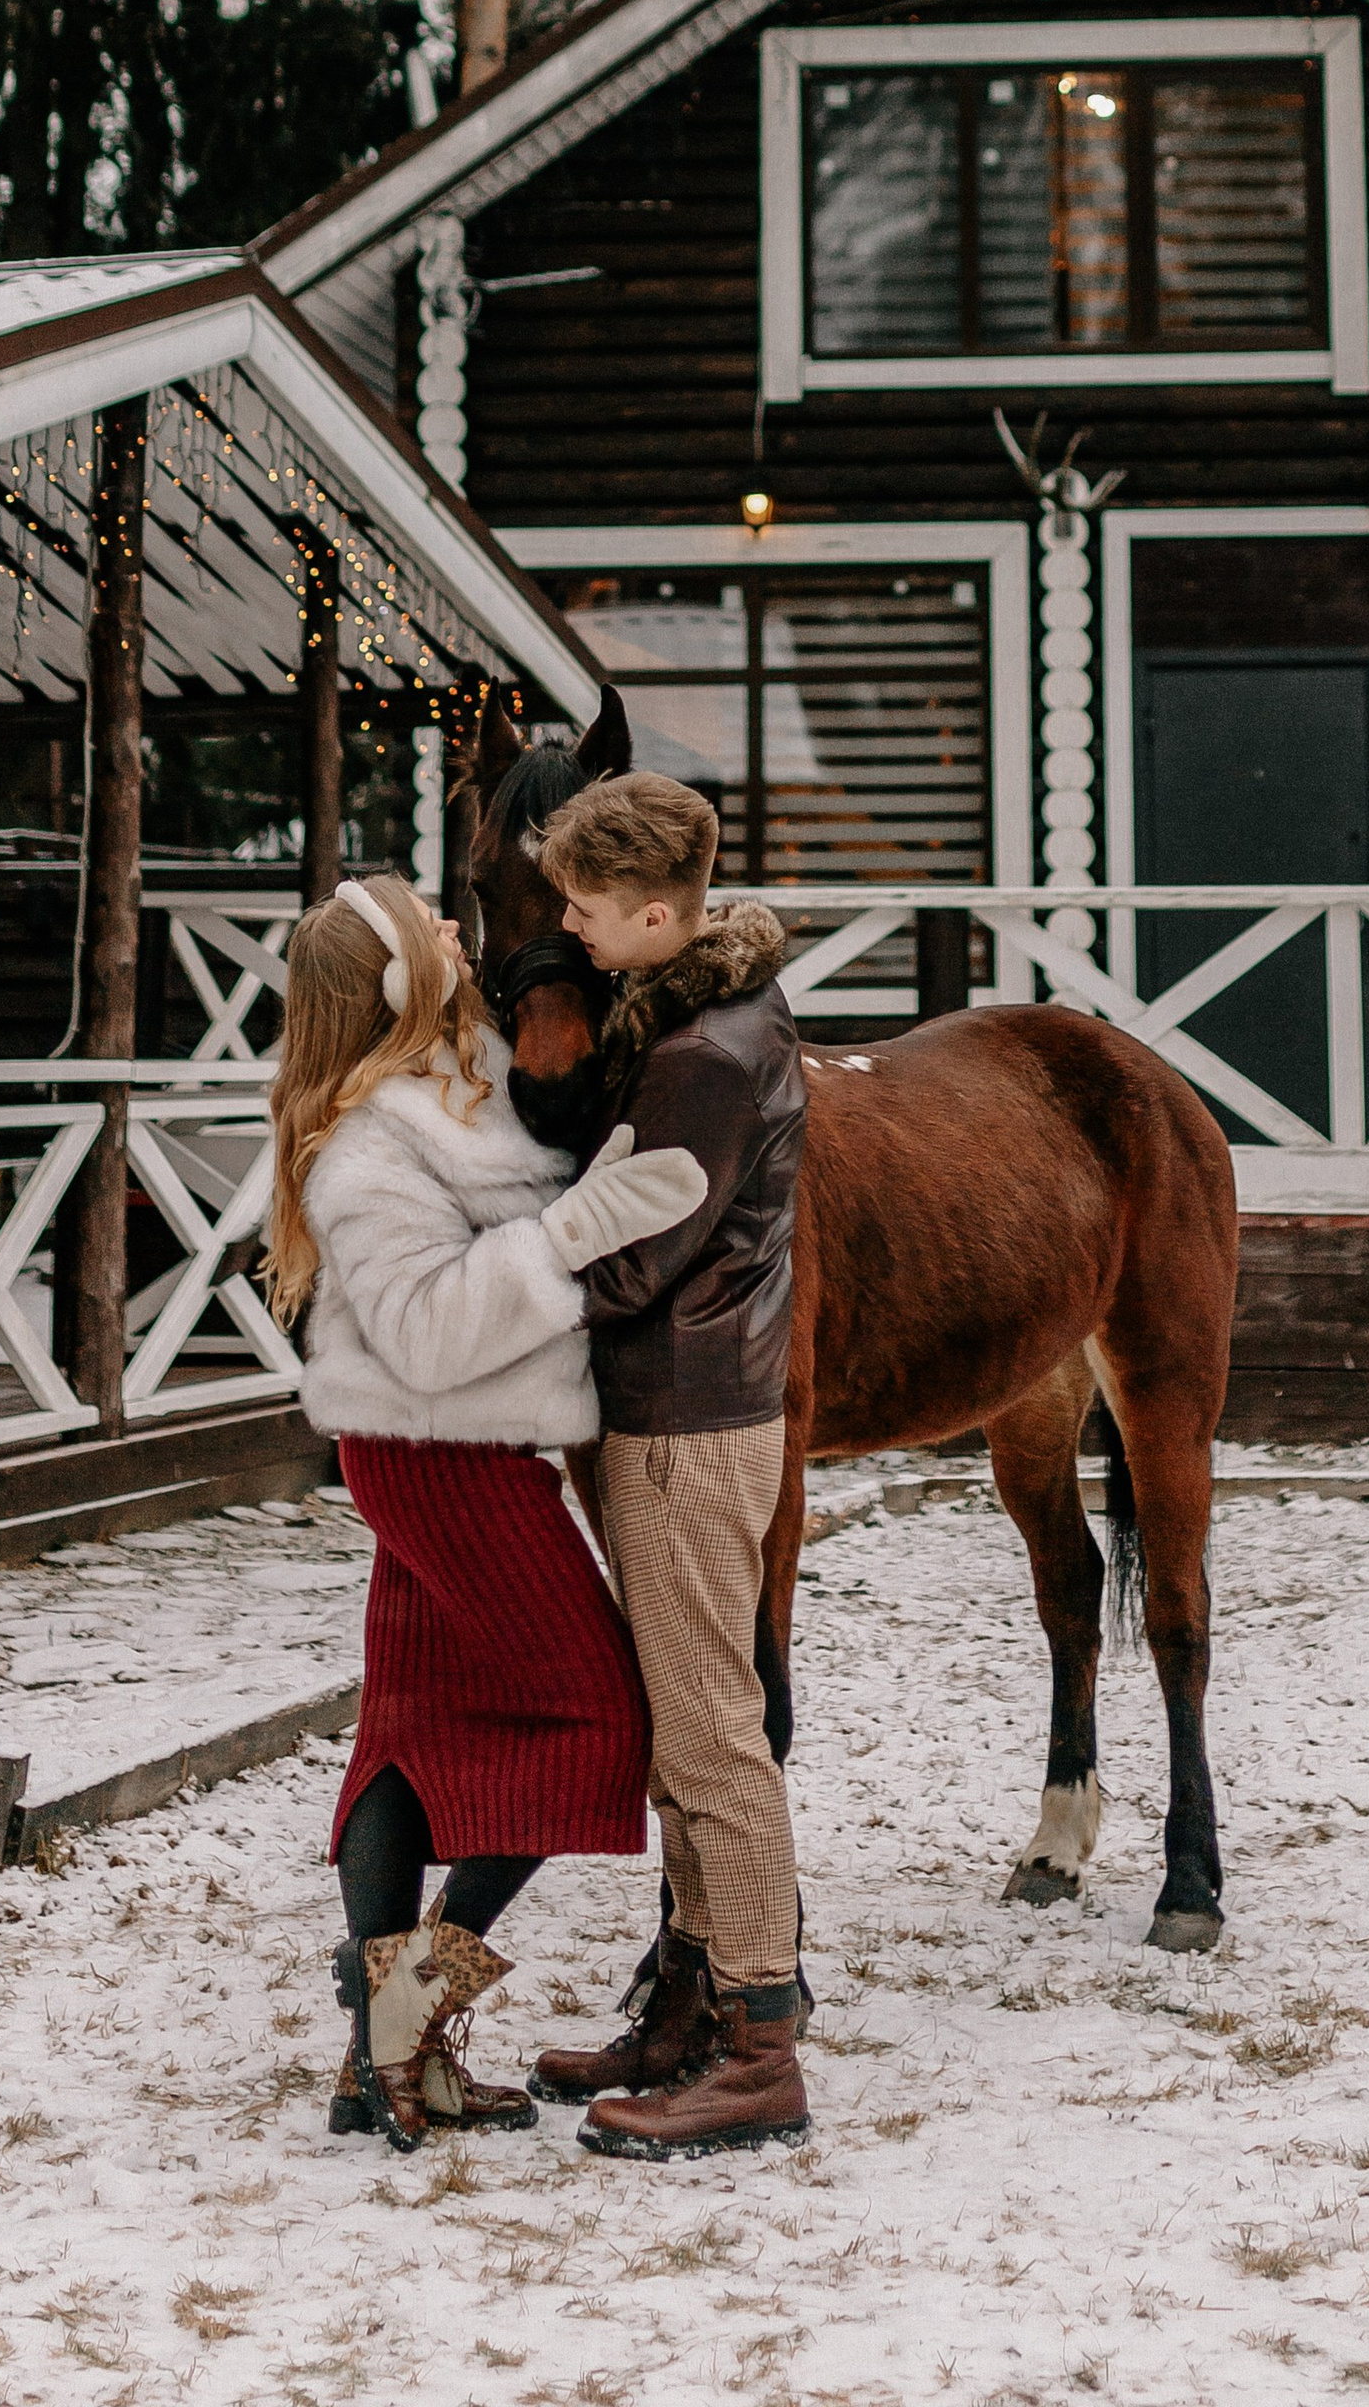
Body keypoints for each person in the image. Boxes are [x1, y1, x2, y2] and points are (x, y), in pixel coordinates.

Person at [266, 868, 707, 2152]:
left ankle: (379, 2065)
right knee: (596, 1711)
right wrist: (570, 1233)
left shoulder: (458, 1077)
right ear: (397, 976)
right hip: (438, 1447)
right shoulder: (368, 1143)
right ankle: (405, 2022)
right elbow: (426, 1328)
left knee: (406, 1726)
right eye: (432, 924)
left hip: (462, 1447)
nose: (462, 927)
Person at [522, 773, 811, 2160]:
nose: (566, 928)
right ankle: (690, 2009)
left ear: (652, 912)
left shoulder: (699, 1057)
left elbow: (637, 1258)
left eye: (581, 907)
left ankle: (759, 2048)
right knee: (693, 1723)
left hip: (684, 1418)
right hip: (703, 1404)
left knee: (709, 1734)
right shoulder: (719, 1013)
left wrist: (492, 1279)